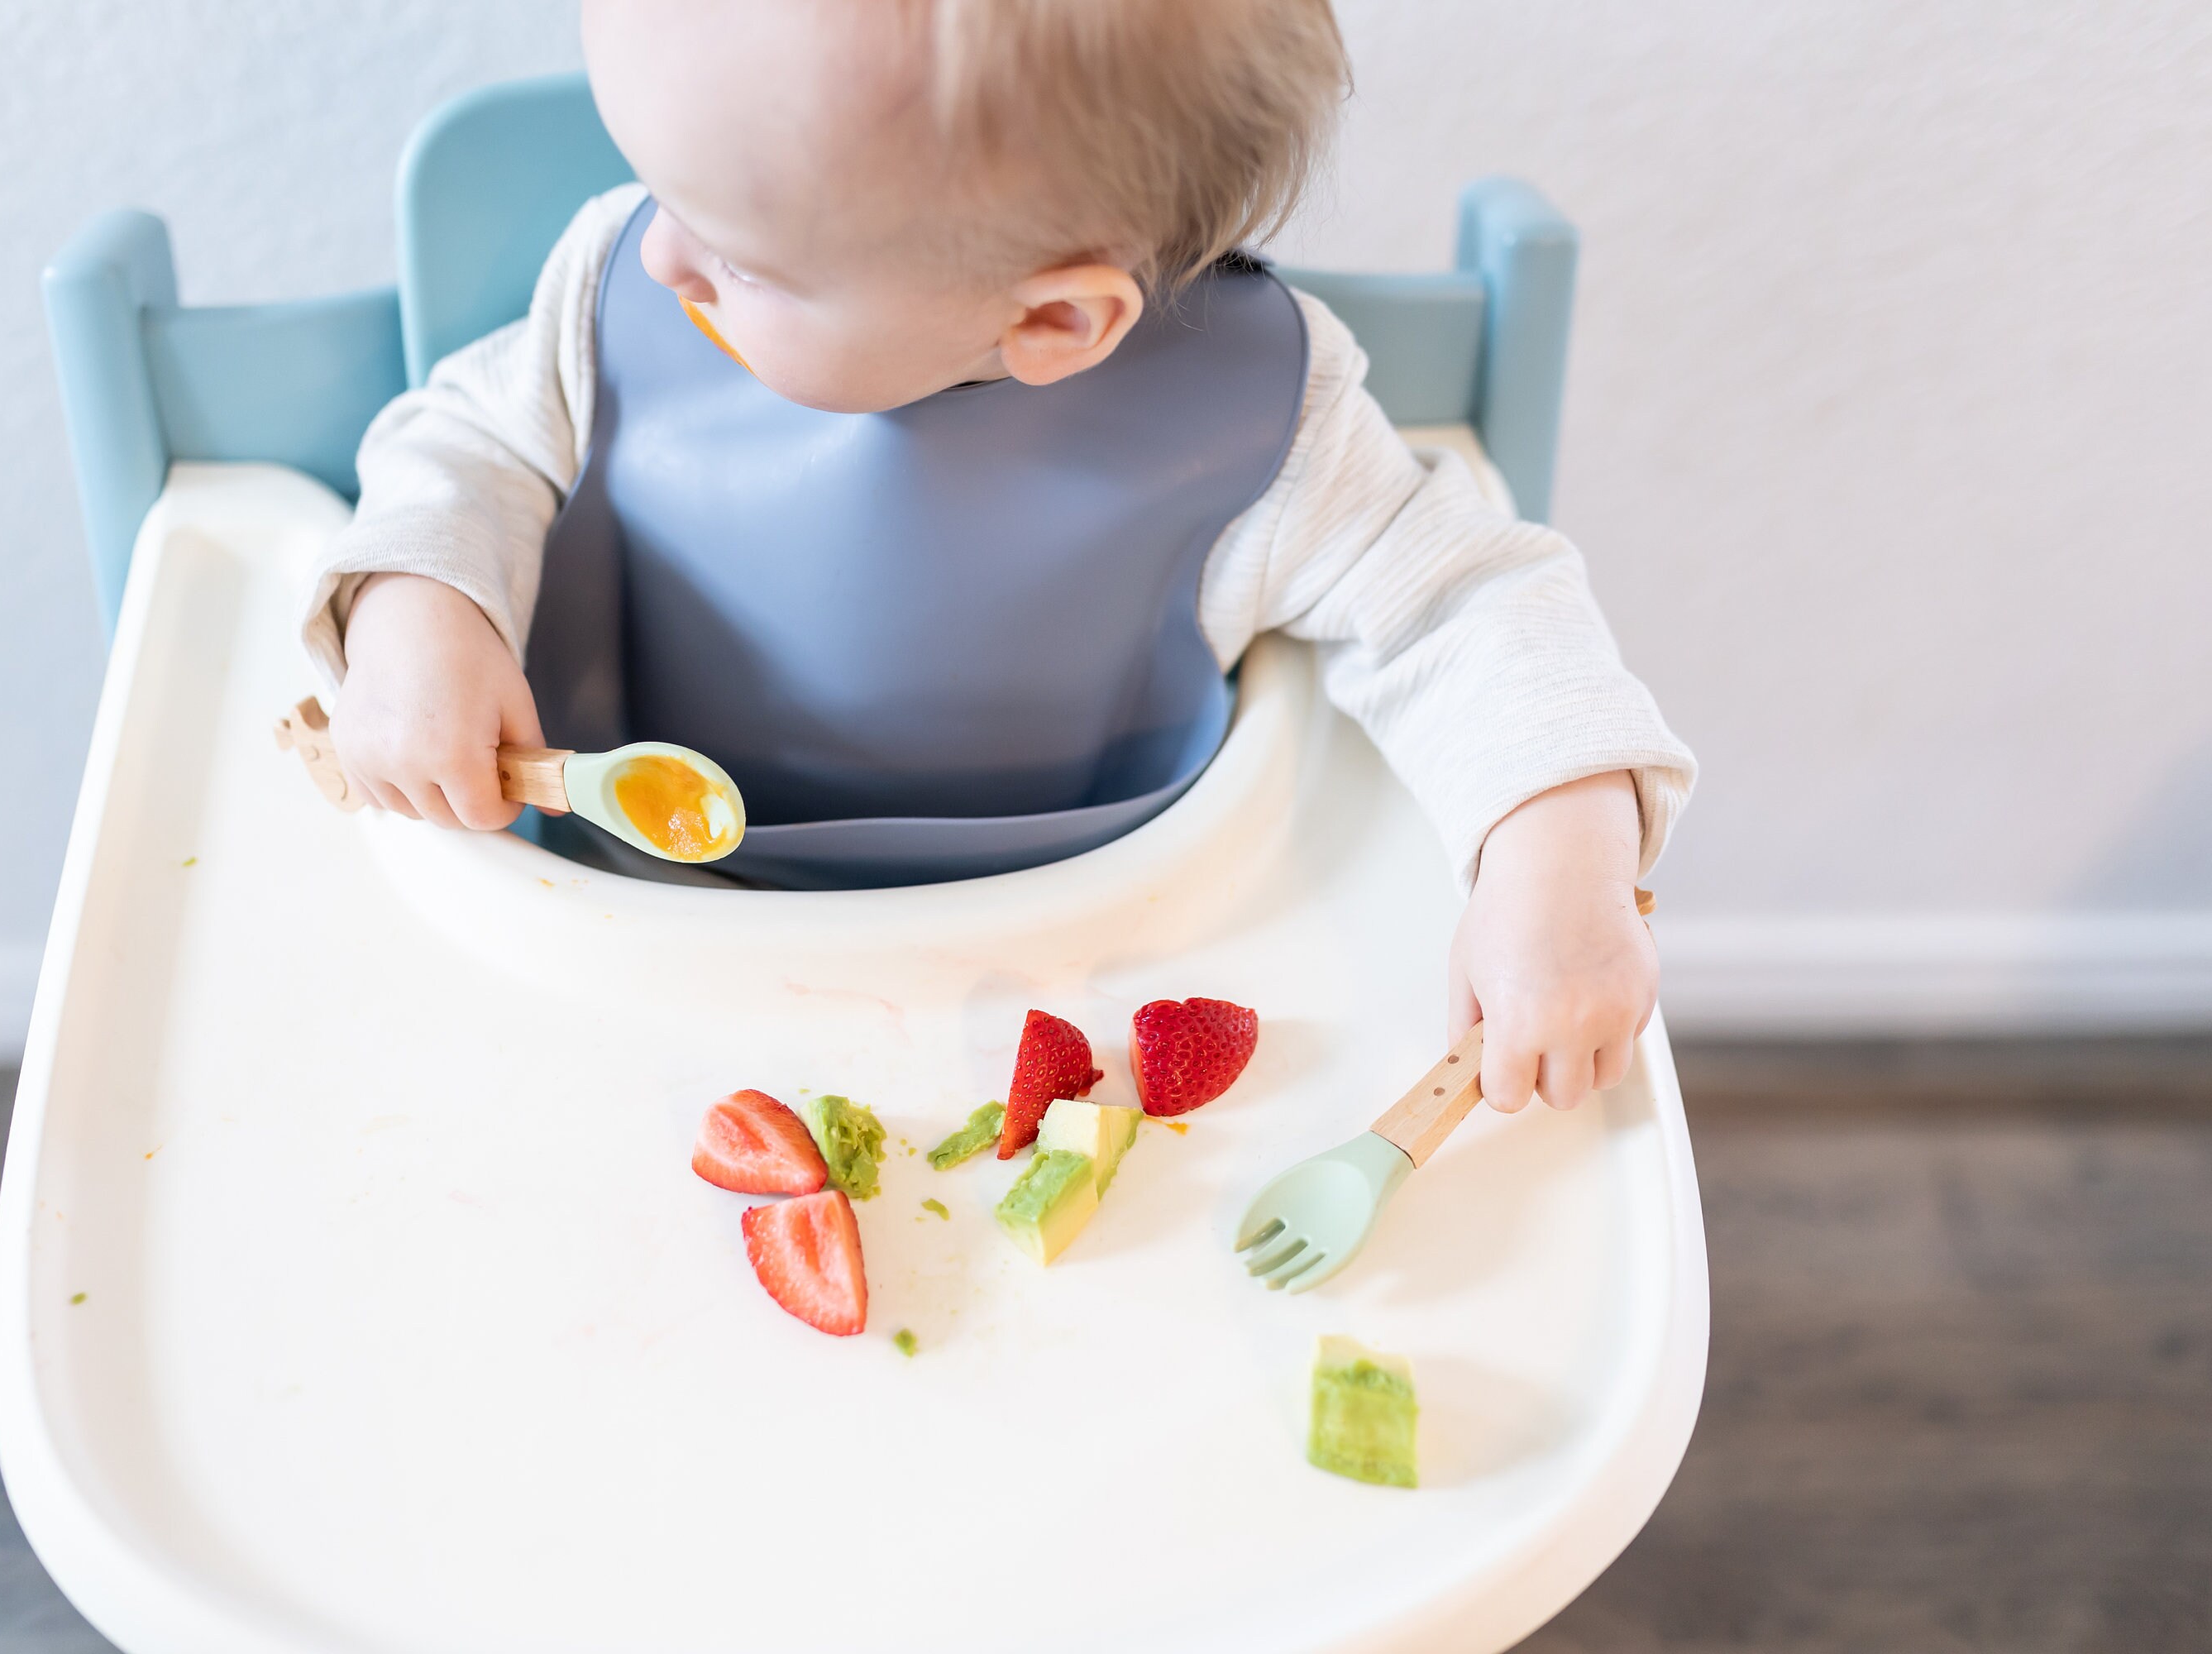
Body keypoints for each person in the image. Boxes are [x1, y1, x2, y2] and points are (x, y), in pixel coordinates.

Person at [299, 0, 1696, 1115]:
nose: (658, 257)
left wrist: (1554, 859)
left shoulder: (1256, 429)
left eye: (744, 258)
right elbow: (467, 440)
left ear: (1052, 325)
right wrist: (423, 607)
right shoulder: (619, 292)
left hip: (1087, 975)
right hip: (646, 945)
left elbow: (1464, 601)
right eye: (652, 186)